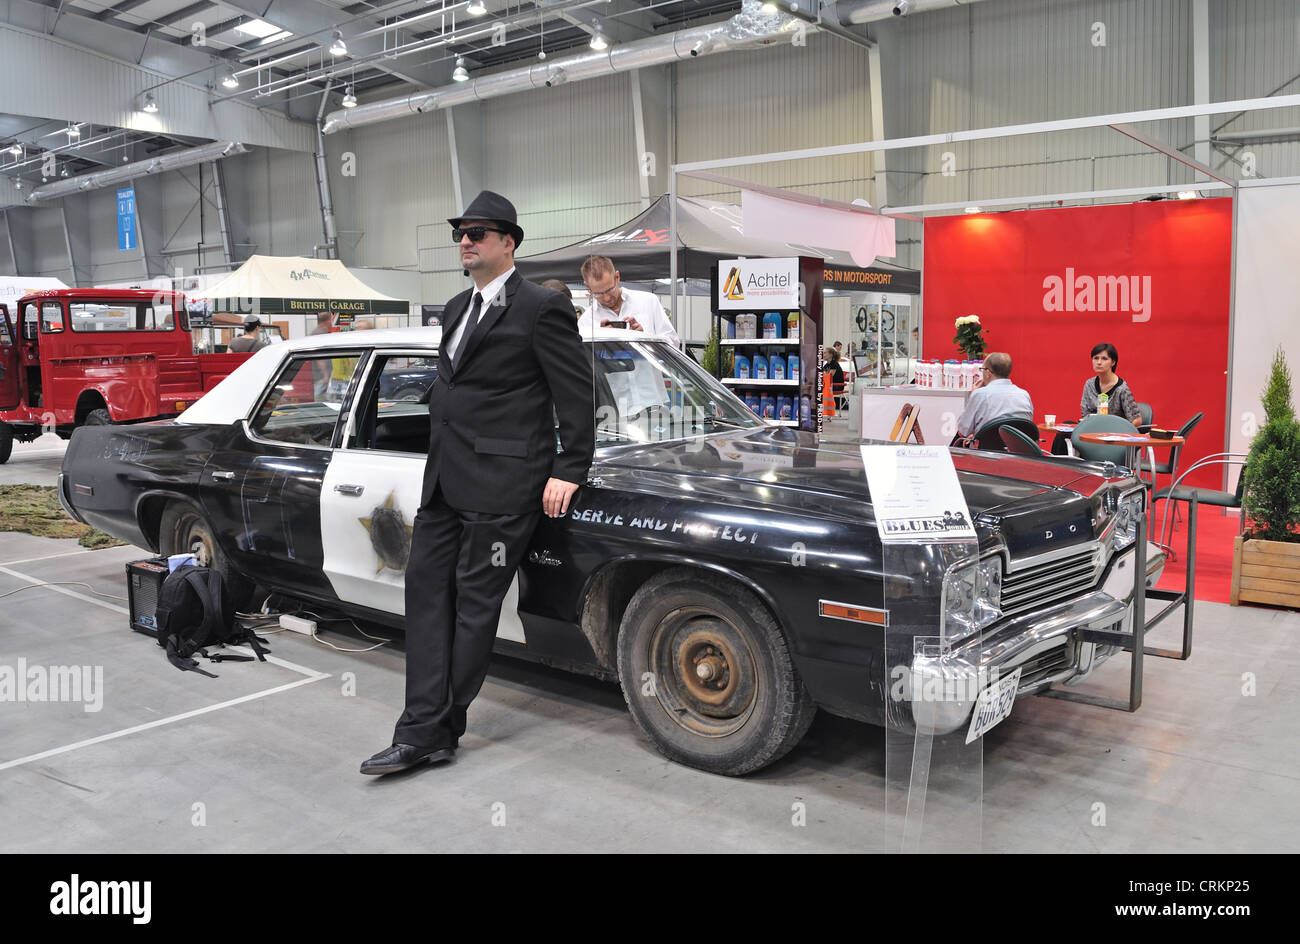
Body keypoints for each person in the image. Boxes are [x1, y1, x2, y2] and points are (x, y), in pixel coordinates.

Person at [361, 191, 594, 776]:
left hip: (505, 483)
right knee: (426, 599)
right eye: (461, 233)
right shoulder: (455, 306)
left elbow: (575, 393)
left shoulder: (542, 307)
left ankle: (431, 731)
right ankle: (425, 728)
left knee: (473, 608)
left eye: (479, 233)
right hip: (443, 483)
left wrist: (569, 468)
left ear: (508, 242)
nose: (465, 241)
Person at [576, 255, 681, 347]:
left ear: (617, 277)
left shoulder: (648, 301)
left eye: (610, 289)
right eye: (598, 294)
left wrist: (646, 338)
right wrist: (603, 343)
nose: (607, 298)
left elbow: (674, 342)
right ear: (588, 286)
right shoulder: (586, 322)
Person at [955, 351, 1033, 441]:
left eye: (982, 369)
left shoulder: (979, 394)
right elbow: (1026, 425)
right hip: (1017, 450)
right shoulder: (1024, 395)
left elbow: (963, 430)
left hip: (986, 452)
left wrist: (972, 395)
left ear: (988, 372)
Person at [1080, 342, 1142, 423]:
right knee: (1066, 427)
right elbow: (1085, 414)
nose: (1099, 362)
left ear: (1113, 362)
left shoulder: (1121, 388)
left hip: (1114, 431)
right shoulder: (1089, 384)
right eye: (1096, 358)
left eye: (1104, 359)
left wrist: (1120, 432)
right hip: (1093, 429)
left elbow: (1137, 420)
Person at [822, 346, 845, 410]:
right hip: (830, 385)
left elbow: (829, 377)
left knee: (819, 388)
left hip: (837, 386)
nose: (823, 355)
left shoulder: (834, 364)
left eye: (825, 353)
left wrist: (823, 373)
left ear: (831, 355)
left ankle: (825, 409)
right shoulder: (827, 365)